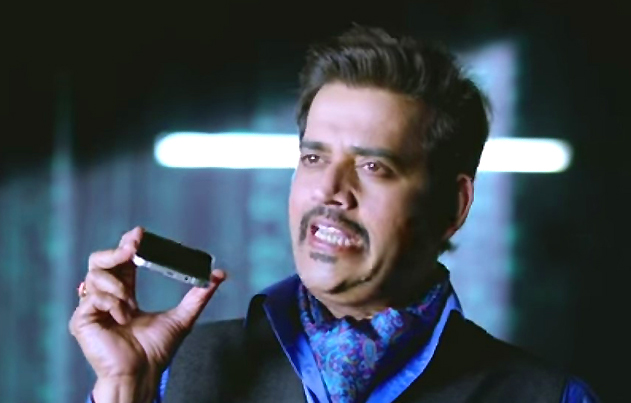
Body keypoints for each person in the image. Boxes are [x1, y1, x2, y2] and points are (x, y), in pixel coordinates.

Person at [69, 26, 600, 403]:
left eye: (373, 166)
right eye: (313, 158)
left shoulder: (549, 397)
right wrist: (124, 387)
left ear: (453, 206)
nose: (329, 190)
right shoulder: (168, 376)